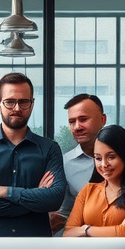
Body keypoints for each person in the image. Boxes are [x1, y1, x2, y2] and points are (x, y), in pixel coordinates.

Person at [0, 72, 66, 238]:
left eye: (24, 102)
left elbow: (54, 199)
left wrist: (4, 192)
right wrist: (33, 202)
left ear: (32, 104)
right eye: (10, 102)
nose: (17, 108)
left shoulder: (49, 149)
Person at [63, 125, 125, 239]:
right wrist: (116, 230)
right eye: (98, 158)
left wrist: (84, 229)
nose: (104, 165)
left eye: (111, 157)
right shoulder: (88, 190)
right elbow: (68, 233)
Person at [49, 93, 107, 234]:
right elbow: (64, 213)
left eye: (83, 119)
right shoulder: (64, 164)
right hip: (83, 246)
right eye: (71, 121)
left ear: (102, 120)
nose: (77, 127)